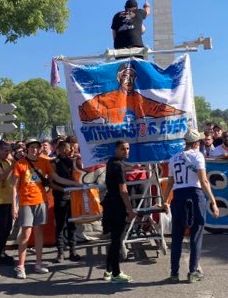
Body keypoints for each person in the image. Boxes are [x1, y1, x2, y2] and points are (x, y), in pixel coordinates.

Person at [12, 138, 82, 279]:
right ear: (27, 149)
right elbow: (13, 187)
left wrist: (74, 184)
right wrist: (14, 206)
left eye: (37, 147)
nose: (35, 150)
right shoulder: (20, 164)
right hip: (26, 202)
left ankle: (38, 263)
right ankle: (20, 265)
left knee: (39, 233)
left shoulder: (44, 162)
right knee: (26, 234)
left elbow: (56, 177)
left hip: (41, 200)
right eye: (32, 147)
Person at [163, 129, 219, 283]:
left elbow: (170, 183)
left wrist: (164, 201)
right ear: (196, 143)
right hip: (195, 195)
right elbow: (203, 181)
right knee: (196, 234)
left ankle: (174, 273)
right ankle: (192, 272)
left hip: (178, 196)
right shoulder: (198, 156)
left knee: (177, 236)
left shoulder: (173, 158)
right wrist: (213, 201)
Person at [79, 62, 184, 123]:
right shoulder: (105, 99)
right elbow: (84, 113)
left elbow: (160, 109)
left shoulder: (140, 100)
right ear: (118, 78)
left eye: (131, 76)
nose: (128, 80)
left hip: (134, 148)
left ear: (135, 79)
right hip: (115, 148)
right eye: (125, 76)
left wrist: (181, 113)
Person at [102, 140, 136, 283]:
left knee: (115, 239)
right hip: (117, 206)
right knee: (117, 240)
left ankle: (108, 270)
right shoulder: (118, 166)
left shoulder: (111, 162)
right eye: (123, 149)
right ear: (116, 150)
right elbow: (123, 191)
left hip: (110, 204)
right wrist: (130, 210)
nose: (126, 151)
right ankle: (116, 273)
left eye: (128, 149)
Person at [50, 141, 81, 263]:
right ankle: (60, 252)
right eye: (69, 148)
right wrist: (63, 189)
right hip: (60, 196)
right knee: (61, 225)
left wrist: (79, 158)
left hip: (72, 196)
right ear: (62, 149)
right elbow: (51, 182)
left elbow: (81, 172)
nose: (71, 151)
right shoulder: (54, 163)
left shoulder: (72, 161)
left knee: (72, 225)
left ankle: (73, 250)